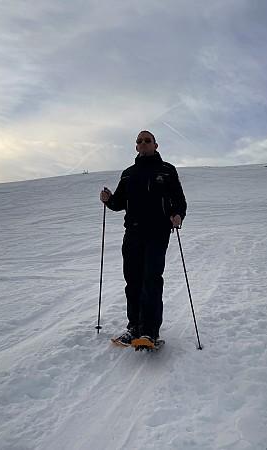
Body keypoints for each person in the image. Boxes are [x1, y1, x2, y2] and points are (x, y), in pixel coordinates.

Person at [100, 130, 187, 348]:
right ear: (136, 147)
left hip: (158, 232)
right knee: (133, 280)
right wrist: (108, 200)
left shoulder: (167, 170)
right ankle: (134, 327)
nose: (143, 143)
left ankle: (150, 332)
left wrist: (177, 214)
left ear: (155, 145)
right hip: (133, 233)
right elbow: (119, 203)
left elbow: (179, 199)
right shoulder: (128, 174)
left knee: (151, 278)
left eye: (147, 140)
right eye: (140, 141)